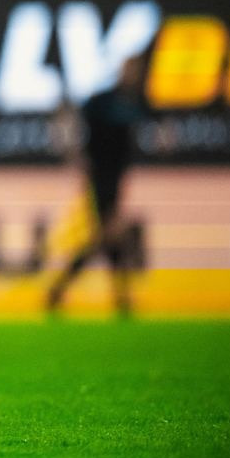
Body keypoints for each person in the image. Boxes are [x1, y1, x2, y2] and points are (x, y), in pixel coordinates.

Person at [46, 52, 145, 316]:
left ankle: (64, 291)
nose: (133, 74)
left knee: (107, 241)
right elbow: (80, 135)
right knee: (108, 237)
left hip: (113, 181)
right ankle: (117, 298)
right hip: (101, 180)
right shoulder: (105, 102)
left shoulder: (130, 103)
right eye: (130, 68)